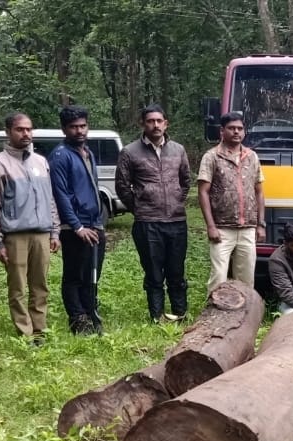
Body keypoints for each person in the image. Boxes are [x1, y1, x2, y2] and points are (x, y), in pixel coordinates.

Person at [0, 113, 60, 344]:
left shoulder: (41, 162)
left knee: (40, 284)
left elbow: (50, 199)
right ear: (8, 132)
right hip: (15, 236)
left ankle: (40, 329)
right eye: (19, 129)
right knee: (18, 286)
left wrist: (55, 230)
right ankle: (24, 332)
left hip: (42, 234)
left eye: (29, 129)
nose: (25, 134)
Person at [116, 104, 191, 322]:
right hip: (147, 222)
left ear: (166, 123)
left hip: (176, 221)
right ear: (143, 124)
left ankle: (179, 314)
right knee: (154, 272)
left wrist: (176, 199)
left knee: (176, 271)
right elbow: (122, 186)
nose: (155, 125)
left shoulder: (178, 150)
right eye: (150, 121)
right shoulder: (130, 152)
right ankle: (157, 316)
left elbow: (186, 181)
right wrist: (140, 207)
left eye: (159, 121)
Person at [50, 105, 106, 336]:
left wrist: (98, 221)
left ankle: (91, 312)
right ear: (64, 129)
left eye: (83, 126)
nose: (79, 131)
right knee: (74, 275)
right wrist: (77, 226)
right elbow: (60, 194)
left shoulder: (87, 152)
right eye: (74, 127)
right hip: (74, 226)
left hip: (94, 222)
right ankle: (78, 318)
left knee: (92, 272)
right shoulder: (60, 156)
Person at [197, 113, 266, 293]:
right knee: (218, 277)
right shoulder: (211, 157)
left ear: (244, 132)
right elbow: (203, 192)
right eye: (231, 128)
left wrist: (261, 224)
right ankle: (214, 317)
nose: (236, 132)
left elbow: (259, 191)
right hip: (221, 228)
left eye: (240, 128)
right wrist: (210, 226)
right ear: (222, 131)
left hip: (248, 228)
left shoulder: (252, 157)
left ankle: (243, 318)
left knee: (246, 279)